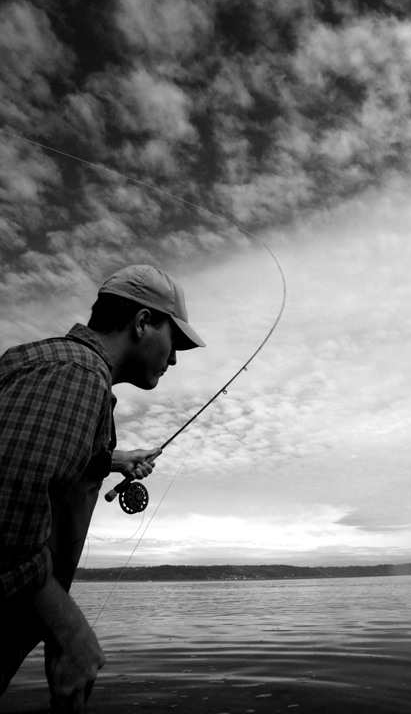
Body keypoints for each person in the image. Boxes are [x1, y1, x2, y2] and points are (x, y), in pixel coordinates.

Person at [0, 265, 205, 711]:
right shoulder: (76, 376)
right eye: (176, 342)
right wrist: (69, 631)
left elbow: (26, 459)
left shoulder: (44, 362)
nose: (173, 359)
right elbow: (5, 527)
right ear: (143, 322)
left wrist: (109, 460)